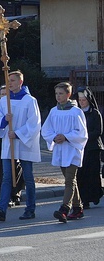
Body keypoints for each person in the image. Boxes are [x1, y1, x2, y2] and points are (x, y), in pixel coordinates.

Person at [0, 70, 41, 221]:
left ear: (20, 82)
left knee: (28, 176)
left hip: (24, 143)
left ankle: (30, 209)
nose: (10, 83)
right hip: (8, 143)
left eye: (12, 80)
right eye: (8, 80)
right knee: (6, 177)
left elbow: (34, 123)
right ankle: (2, 209)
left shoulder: (29, 101)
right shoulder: (4, 101)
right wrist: (5, 121)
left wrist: (18, 133)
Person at [41, 82, 88, 222]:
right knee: (70, 181)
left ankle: (64, 209)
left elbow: (82, 133)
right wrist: (54, 137)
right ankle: (78, 208)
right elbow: (46, 129)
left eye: (61, 93)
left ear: (68, 94)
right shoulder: (53, 111)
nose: (58, 96)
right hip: (60, 150)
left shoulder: (76, 112)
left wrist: (66, 137)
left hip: (72, 149)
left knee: (69, 180)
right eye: (56, 94)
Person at [0, 85, 24, 206]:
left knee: (17, 169)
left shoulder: (16, 108)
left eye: (5, 94)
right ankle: (2, 193)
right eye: (1, 94)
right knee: (2, 171)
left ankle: (16, 193)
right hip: (0, 146)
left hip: (15, 144)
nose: (3, 96)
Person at [76, 87, 103, 209]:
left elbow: (98, 131)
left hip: (92, 148)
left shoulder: (95, 113)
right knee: (81, 174)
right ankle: (84, 199)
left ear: (89, 100)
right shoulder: (76, 113)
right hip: (80, 149)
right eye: (80, 100)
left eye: (84, 100)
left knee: (92, 174)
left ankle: (95, 195)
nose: (82, 102)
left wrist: (84, 137)